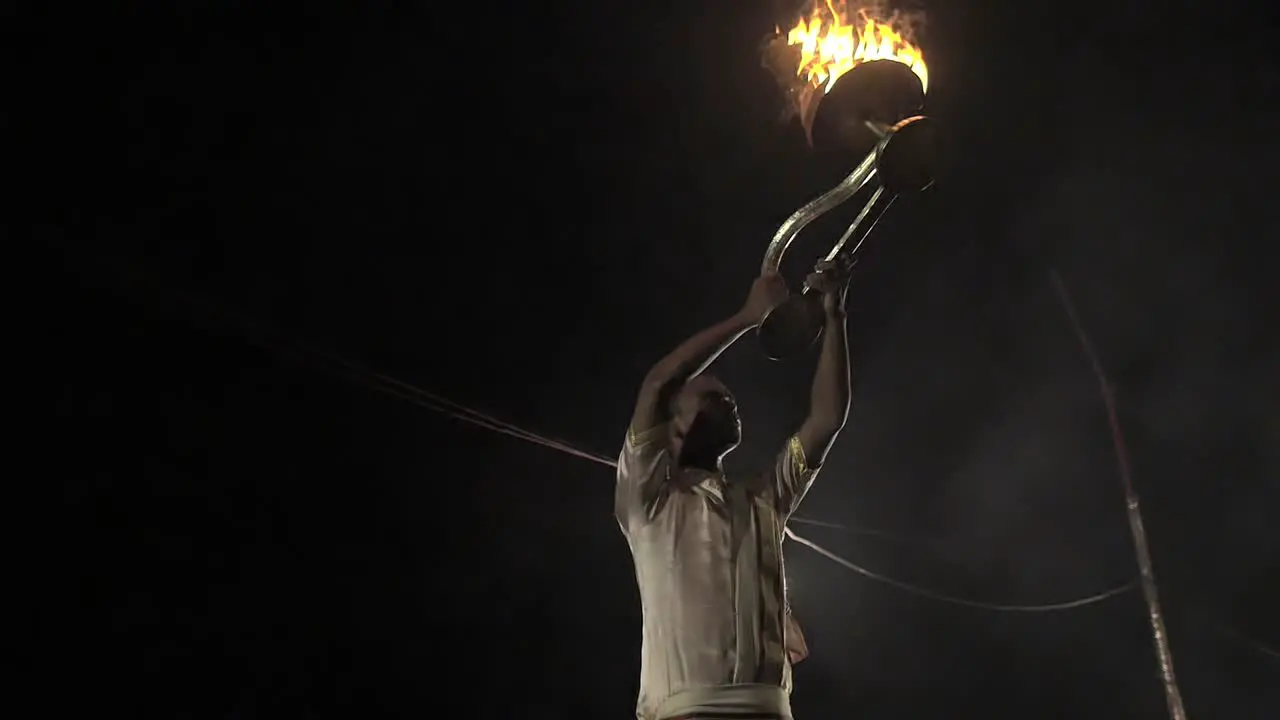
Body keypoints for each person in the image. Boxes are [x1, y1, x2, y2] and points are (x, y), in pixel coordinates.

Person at [615, 261, 853, 720]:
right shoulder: (650, 503)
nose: (729, 403)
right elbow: (660, 384)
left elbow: (826, 419)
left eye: (730, 400)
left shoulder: (762, 500)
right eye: (712, 399)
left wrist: (835, 314)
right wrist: (747, 318)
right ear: (674, 430)